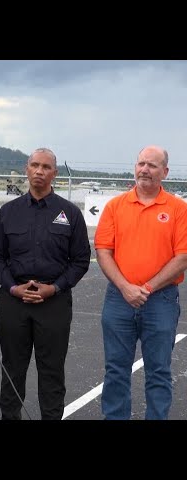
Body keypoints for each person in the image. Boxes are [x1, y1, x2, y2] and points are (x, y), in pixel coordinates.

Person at [0, 147, 90, 420]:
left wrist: (54, 288)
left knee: (52, 372)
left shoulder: (70, 213)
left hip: (53, 302)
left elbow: (80, 261)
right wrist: (12, 287)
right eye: (35, 165)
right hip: (14, 301)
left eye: (46, 167)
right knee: (12, 371)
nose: (39, 171)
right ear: (26, 169)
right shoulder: (9, 212)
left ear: (54, 174)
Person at [95, 145, 187, 420]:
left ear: (165, 172)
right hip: (119, 299)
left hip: (160, 300)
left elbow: (182, 257)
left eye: (152, 165)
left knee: (158, 371)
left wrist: (146, 289)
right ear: (135, 167)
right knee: (116, 370)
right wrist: (125, 287)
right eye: (141, 164)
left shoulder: (178, 209)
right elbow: (103, 251)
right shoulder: (115, 206)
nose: (145, 169)